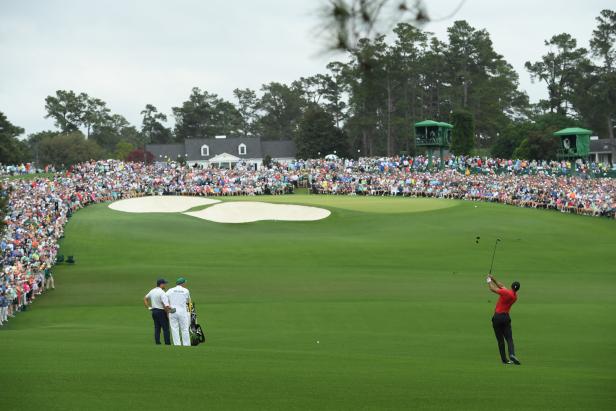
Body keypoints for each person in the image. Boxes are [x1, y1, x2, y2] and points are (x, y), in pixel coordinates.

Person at [487, 274, 521, 365]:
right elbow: (501, 286)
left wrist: (488, 281)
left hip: (497, 317)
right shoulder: (514, 296)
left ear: (511, 286)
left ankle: (504, 360)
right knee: (509, 339)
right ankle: (512, 354)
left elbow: (492, 289)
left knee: (500, 340)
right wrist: (494, 279)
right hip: (506, 318)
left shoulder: (506, 293)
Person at [144, 278, 171, 345]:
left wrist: (149, 307)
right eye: (164, 284)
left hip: (154, 311)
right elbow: (166, 305)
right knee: (166, 329)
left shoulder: (152, 291)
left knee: (157, 328)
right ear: (161, 284)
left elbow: (145, 298)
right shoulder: (162, 292)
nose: (165, 285)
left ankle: (157, 343)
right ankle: (167, 343)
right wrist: (168, 314)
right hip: (161, 312)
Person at [166, 277, 191, 346]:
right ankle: (186, 345)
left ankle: (177, 345)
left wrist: (168, 307)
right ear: (182, 283)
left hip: (172, 311)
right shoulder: (186, 290)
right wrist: (190, 313)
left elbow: (164, 298)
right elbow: (188, 302)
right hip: (182, 312)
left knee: (174, 329)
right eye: (185, 283)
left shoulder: (170, 290)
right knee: (185, 329)